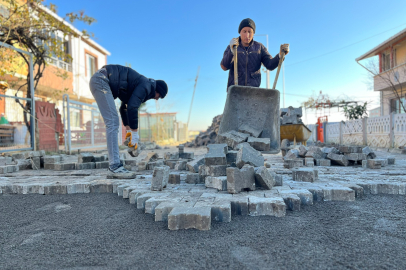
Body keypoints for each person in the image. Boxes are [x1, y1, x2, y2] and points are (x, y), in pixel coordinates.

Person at [89, 65, 168, 177]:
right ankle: (115, 166)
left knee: (113, 120)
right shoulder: (146, 86)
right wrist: (135, 134)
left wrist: (128, 131)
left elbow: (124, 108)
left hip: (101, 79)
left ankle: (115, 165)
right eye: (159, 96)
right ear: (158, 90)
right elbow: (132, 107)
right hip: (102, 80)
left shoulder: (141, 84)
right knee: (112, 121)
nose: (157, 99)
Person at [220, 18, 290, 89]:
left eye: (250, 32)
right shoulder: (232, 47)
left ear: (253, 33)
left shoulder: (259, 47)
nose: (247, 35)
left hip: (253, 92)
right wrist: (231, 52)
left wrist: (280, 55)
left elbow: (270, 65)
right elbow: (224, 66)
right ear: (239, 32)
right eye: (244, 31)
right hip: (235, 92)